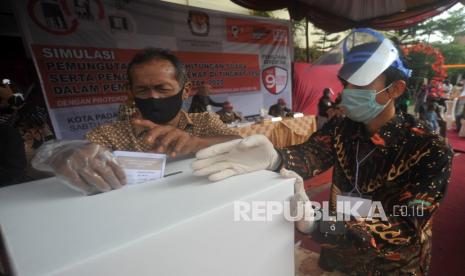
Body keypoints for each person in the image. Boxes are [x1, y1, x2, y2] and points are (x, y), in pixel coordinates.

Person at [191, 29, 453, 275]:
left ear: (395, 89)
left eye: (360, 86)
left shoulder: (428, 148)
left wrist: (320, 224)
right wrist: (276, 158)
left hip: (390, 265)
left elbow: (404, 226)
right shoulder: (343, 129)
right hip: (339, 257)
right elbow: (313, 153)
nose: (348, 93)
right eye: (346, 84)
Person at [32, 48, 241, 195]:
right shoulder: (112, 134)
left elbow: (239, 143)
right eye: (142, 90)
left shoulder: (203, 121)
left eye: (162, 88)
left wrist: (196, 143)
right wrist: (65, 157)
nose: (153, 97)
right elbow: (78, 154)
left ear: (185, 90)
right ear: (131, 93)